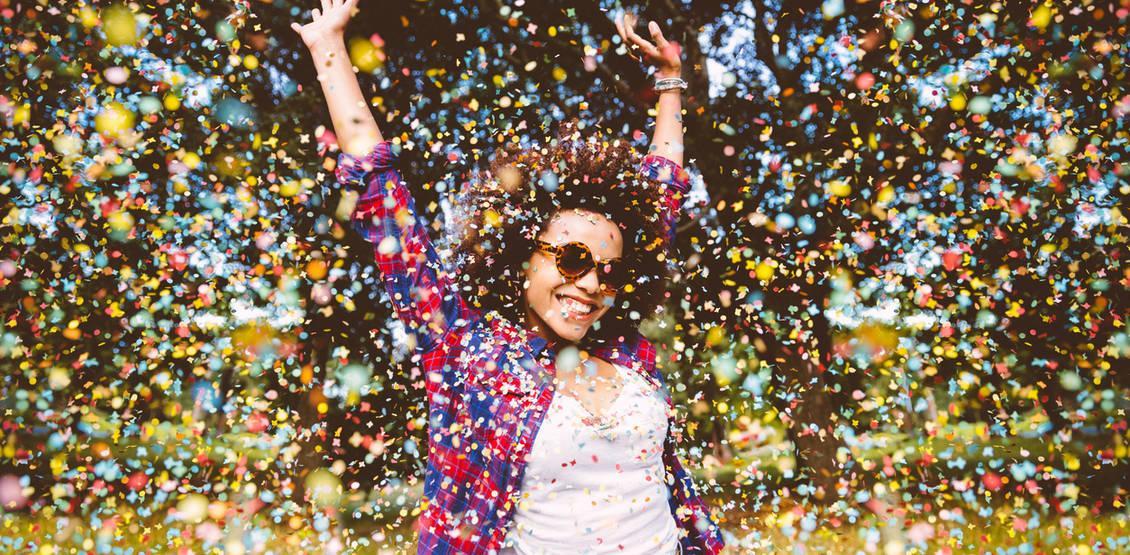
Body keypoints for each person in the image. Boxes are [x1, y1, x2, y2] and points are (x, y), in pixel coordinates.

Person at [292, 1, 724, 553]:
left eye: (608, 273)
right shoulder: (467, 351)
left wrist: (669, 83)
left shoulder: (625, 350)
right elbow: (383, 197)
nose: (591, 285)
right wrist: (328, 48)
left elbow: (658, 194)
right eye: (570, 261)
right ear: (523, 259)